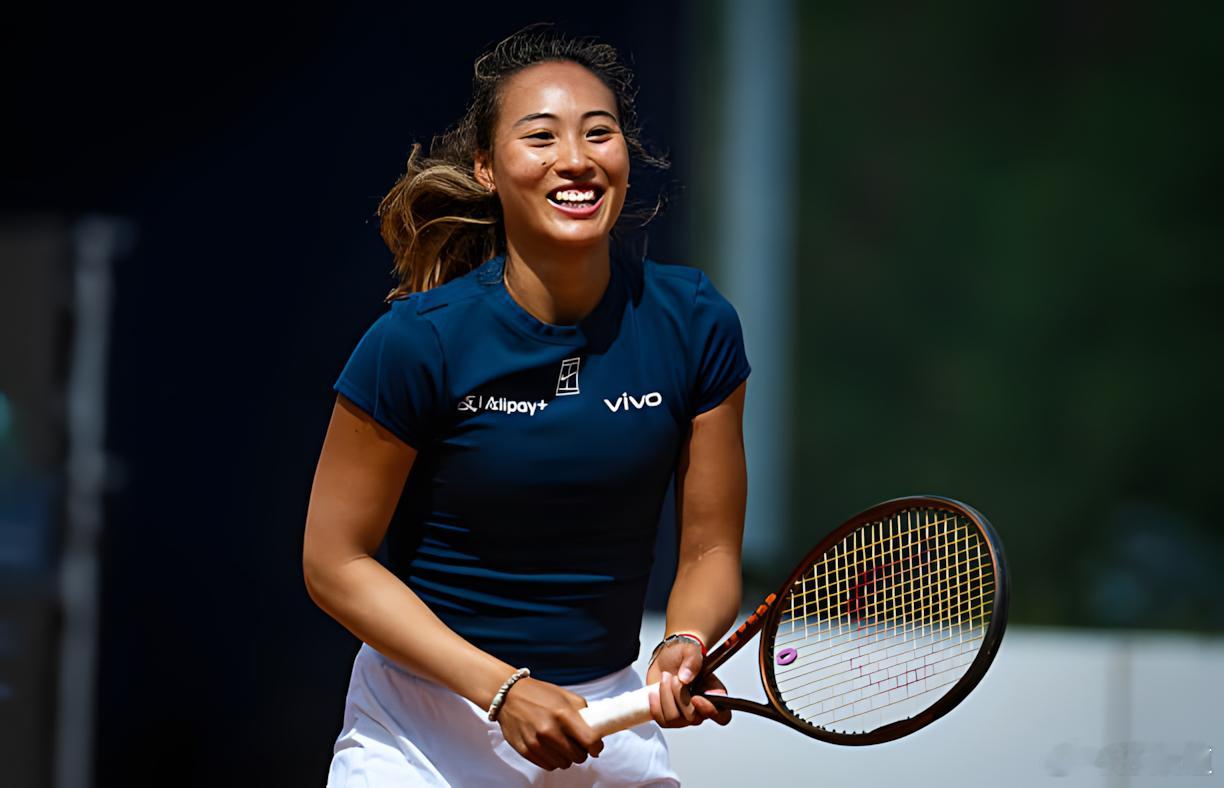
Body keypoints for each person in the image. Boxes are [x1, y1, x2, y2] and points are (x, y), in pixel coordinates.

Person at [303, 26, 750, 786]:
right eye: (541, 137)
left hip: (608, 722)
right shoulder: (417, 341)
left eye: (598, 133)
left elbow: (709, 550)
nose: (575, 159)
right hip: (418, 732)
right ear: (486, 167)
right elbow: (333, 561)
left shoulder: (696, 322)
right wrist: (502, 689)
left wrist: (684, 642)